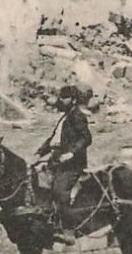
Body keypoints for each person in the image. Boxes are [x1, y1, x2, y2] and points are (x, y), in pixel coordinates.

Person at [34, 85, 92, 244]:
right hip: (57, 159)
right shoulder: (65, 116)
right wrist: (40, 151)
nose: (61, 100)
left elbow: (86, 138)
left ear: (73, 100)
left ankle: (68, 231)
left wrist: (71, 153)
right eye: (61, 97)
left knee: (60, 191)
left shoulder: (78, 116)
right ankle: (49, 223)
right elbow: (54, 138)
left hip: (73, 164)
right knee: (38, 181)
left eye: (65, 97)